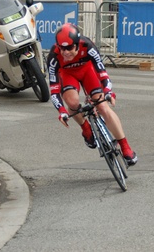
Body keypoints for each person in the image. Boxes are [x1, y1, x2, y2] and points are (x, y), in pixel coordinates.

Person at [47, 23, 138, 166]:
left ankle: (125, 147)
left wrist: (108, 92)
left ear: (77, 44)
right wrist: (62, 111)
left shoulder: (87, 45)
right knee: (72, 103)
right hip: (68, 75)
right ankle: (86, 128)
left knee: (102, 106)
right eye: (62, 48)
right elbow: (53, 89)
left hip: (88, 71)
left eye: (69, 48)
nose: (65, 52)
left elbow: (102, 73)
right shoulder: (54, 55)